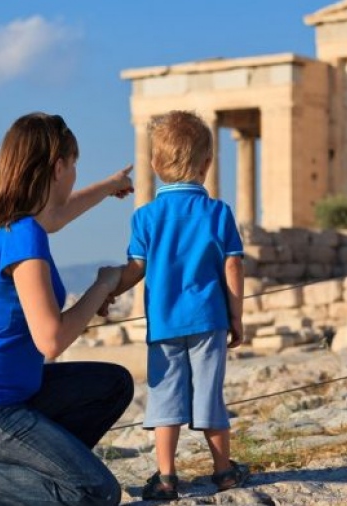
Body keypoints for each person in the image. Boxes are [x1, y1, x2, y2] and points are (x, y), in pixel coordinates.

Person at [0, 112, 136, 506]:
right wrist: (101, 285)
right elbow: (52, 340)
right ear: (58, 167)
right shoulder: (22, 236)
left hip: (7, 396)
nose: (74, 177)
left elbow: (54, 216)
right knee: (95, 492)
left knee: (112, 385)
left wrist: (110, 187)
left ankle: (29, 472)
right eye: (74, 166)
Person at [101, 110, 250, 501]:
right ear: (207, 164)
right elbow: (232, 265)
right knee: (210, 395)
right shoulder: (219, 213)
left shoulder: (145, 217)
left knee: (164, 398)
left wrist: (109, 290)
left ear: (154, 164)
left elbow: (136, 269)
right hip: (209, 320)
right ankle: (224, 472)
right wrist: (237, 315)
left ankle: (166, 477)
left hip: (164, 324)